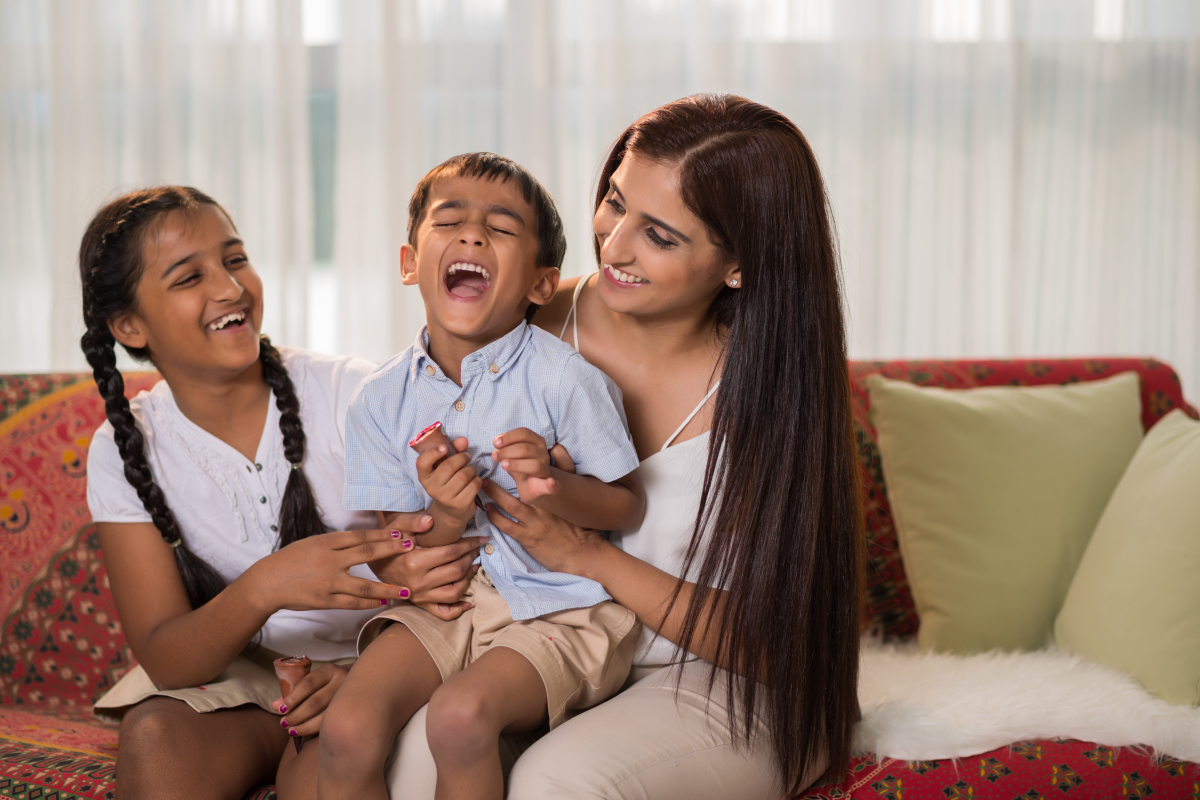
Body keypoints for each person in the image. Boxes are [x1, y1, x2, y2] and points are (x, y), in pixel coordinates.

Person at [382, 94, 864, 800]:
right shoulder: (519, 320)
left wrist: (588, 555)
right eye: (614, 201)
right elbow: (410, 527)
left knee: (559, 783)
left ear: (740, 264)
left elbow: (781, 647)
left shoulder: (776, 390)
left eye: (660, 236)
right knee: (417, 760)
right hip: (549, 647)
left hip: (730, 678)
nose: (613, 246)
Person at [79, 186, 475, 799]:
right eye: (189, 278)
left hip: (379, 669)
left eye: (235, 260)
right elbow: (168, 657)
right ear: (130, 325)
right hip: (243, 688)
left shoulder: (351, 393)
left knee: (323, 764)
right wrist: (266, 586)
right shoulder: (123, 448)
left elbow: (447, 568)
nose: (230, 288)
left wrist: (364, 678)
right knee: (154, 736)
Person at [317, 153, 646, 800]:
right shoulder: (379, 400)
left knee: (459, 717)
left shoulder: (567, 380)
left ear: (541, 284)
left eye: (500, 227)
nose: (471, 235)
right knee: (347, 727)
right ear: (411, 262)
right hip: (446, 604)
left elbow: (627, 508)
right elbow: (403, 549)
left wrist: (556, 489)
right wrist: (441, 513)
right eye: (450, 221)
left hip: (561, 607)